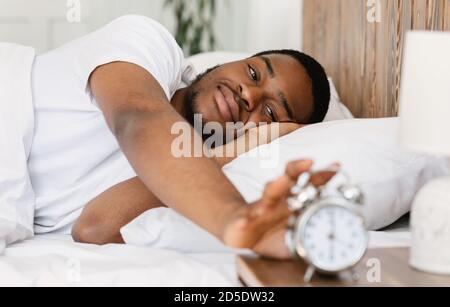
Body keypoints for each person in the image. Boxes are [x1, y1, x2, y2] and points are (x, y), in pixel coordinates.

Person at [29, 15, 332, 259]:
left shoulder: (190, 179)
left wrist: (241, 148)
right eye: (253, 73)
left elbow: (94, 228)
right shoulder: (149, 44)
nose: (249, 94)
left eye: (270, 112)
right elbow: (137, 116)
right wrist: (235, 218)